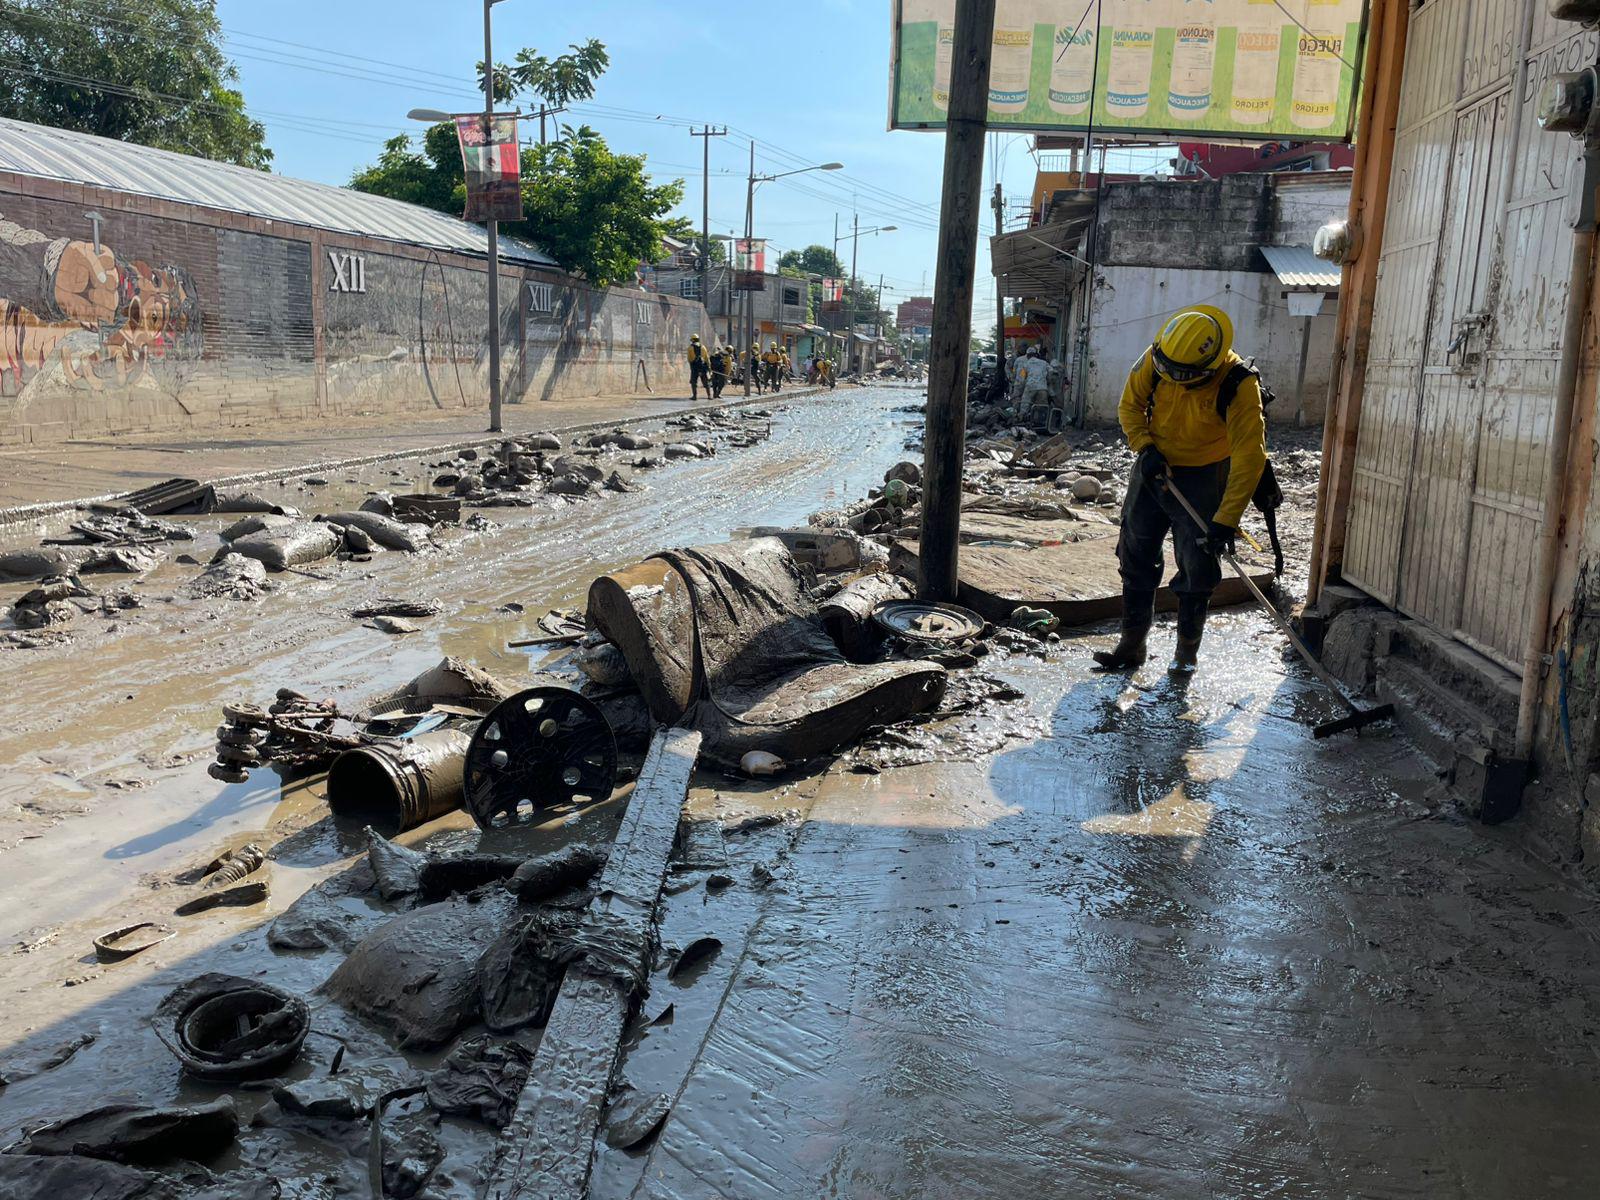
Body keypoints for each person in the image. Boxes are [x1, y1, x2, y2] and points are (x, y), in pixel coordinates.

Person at [1092, 304, 1266, 673]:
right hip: (1154, 468)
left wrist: (1225, 520)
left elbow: (1250, 458)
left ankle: (1186, 654)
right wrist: (1145, 446)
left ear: (1209, 368)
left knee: (1198, 566)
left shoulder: (1239, 385)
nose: (1169, 376)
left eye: (1180, 374)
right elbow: (1130, 407)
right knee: (1135, 553)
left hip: (1205, 476)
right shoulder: (1159, 357)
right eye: (1165, 370)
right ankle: (1132, 644)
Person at [1015, 345, 1050, 421]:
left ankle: (1021, 420)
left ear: (1027, 356)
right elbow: (1052, 372)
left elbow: (1021, 379)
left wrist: (1020, 391)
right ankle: (1042, 423)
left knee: (1025, 404)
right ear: (1036, 355)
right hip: (1042, 388)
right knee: (1043, 407)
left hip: (1030, 387)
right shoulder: (1044, 363)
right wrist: (1047, 381)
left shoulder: (1025, 365)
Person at [686, 334, 711, 400]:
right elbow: (707, 358)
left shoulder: (690, 348)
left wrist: (692, 365)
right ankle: (709, 396)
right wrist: (709, 367)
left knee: (693, 382)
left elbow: (689, 359)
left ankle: (695, 396)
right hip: (703, 368)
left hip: (695, 368)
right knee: (706, 382)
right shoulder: (703, 347)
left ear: (693, 340)